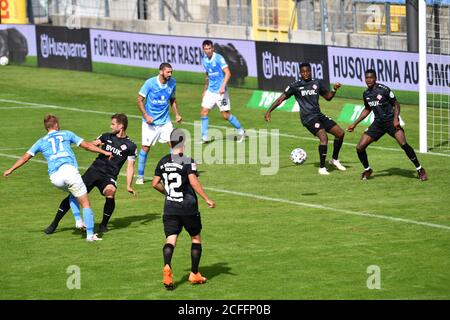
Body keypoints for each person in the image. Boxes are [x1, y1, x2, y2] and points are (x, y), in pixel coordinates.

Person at [3, 114, 112, 241]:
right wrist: (104, 152)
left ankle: (78, 220)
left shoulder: (41, 141)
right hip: (69, 171)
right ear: (55, 125)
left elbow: (25, 157)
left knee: (73, 192)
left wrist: (10, 169)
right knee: (85, 203)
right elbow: (87, 146)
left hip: (55, 178)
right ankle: (90, 235)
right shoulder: (66, 134)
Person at [44, 113, 137, 234]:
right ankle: (54, 224)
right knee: (74, 195)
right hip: (93, 172)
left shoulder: (131, 145)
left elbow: (130, 167)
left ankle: (103, 225)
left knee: (110, 192)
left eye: (113, 124)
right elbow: (92, 144)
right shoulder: (106, 136)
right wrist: (94, 144)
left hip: (109, 176)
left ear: (121, 126)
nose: (111, 126)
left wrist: (129, 185)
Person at [152, 128, 216, 290]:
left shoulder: (163, 161)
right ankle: (194, 274)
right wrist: (207, 198)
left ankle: (167, 266)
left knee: (171, 239)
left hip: (170, 207)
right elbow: (193, 182)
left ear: (170, 142)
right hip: (188, 207)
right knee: (195, 237)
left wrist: (168, 193)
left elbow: (154, 183)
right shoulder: (187, 160)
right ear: (183, 142)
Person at [264, 62, 346, 175]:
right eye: (303, 72)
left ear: (311, 71)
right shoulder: (295, 86)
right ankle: (322, 168)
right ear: (300, 73)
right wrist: (269, 111)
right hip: (308, 118)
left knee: (340, 133)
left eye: (308, 71)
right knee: (324, 138)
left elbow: (328, 97)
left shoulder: (316, 83)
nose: (306, 73)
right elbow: (280, 99)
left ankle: (334, 160)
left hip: (318, 115)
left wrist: (334, 89)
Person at [347, 69, 428, 181]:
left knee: (403, 144)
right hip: (378, 124)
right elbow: (367, 109)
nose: (369, 80)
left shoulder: (384, 90)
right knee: (359, 147)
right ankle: (367, 170)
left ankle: (420, 169)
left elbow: (396, 104)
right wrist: (354, 124)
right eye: (367, 78)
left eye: (371, 77)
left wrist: (396, 119)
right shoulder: (366, 93)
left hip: (390, 121)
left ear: (375, 78)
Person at [135, 62, 182, 185]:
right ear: (161, 72)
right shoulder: (150, 83)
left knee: (174, 145)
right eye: (168, 72)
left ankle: (175, 172)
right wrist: (146, 115)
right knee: (145, 148)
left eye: (171, 72)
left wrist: (177, 114)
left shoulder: (173, 83)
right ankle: (140, 176)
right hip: (150, 123)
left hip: (165, 121)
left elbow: (172, 99)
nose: (170, 74)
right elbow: (139, 99)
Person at [200, 39, 245, 144]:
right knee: (204, 112)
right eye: (206, 49)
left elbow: (228, 73)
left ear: (213, 48)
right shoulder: (204, 60)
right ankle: (204, 136)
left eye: (209, 48)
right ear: (203, 50)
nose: (208, 51)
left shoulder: (219, 58)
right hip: (211, 91)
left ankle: (241, 131)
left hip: (221, 92)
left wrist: (222, 87)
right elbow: (208, 75)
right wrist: (205, 89)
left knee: (225, 115)